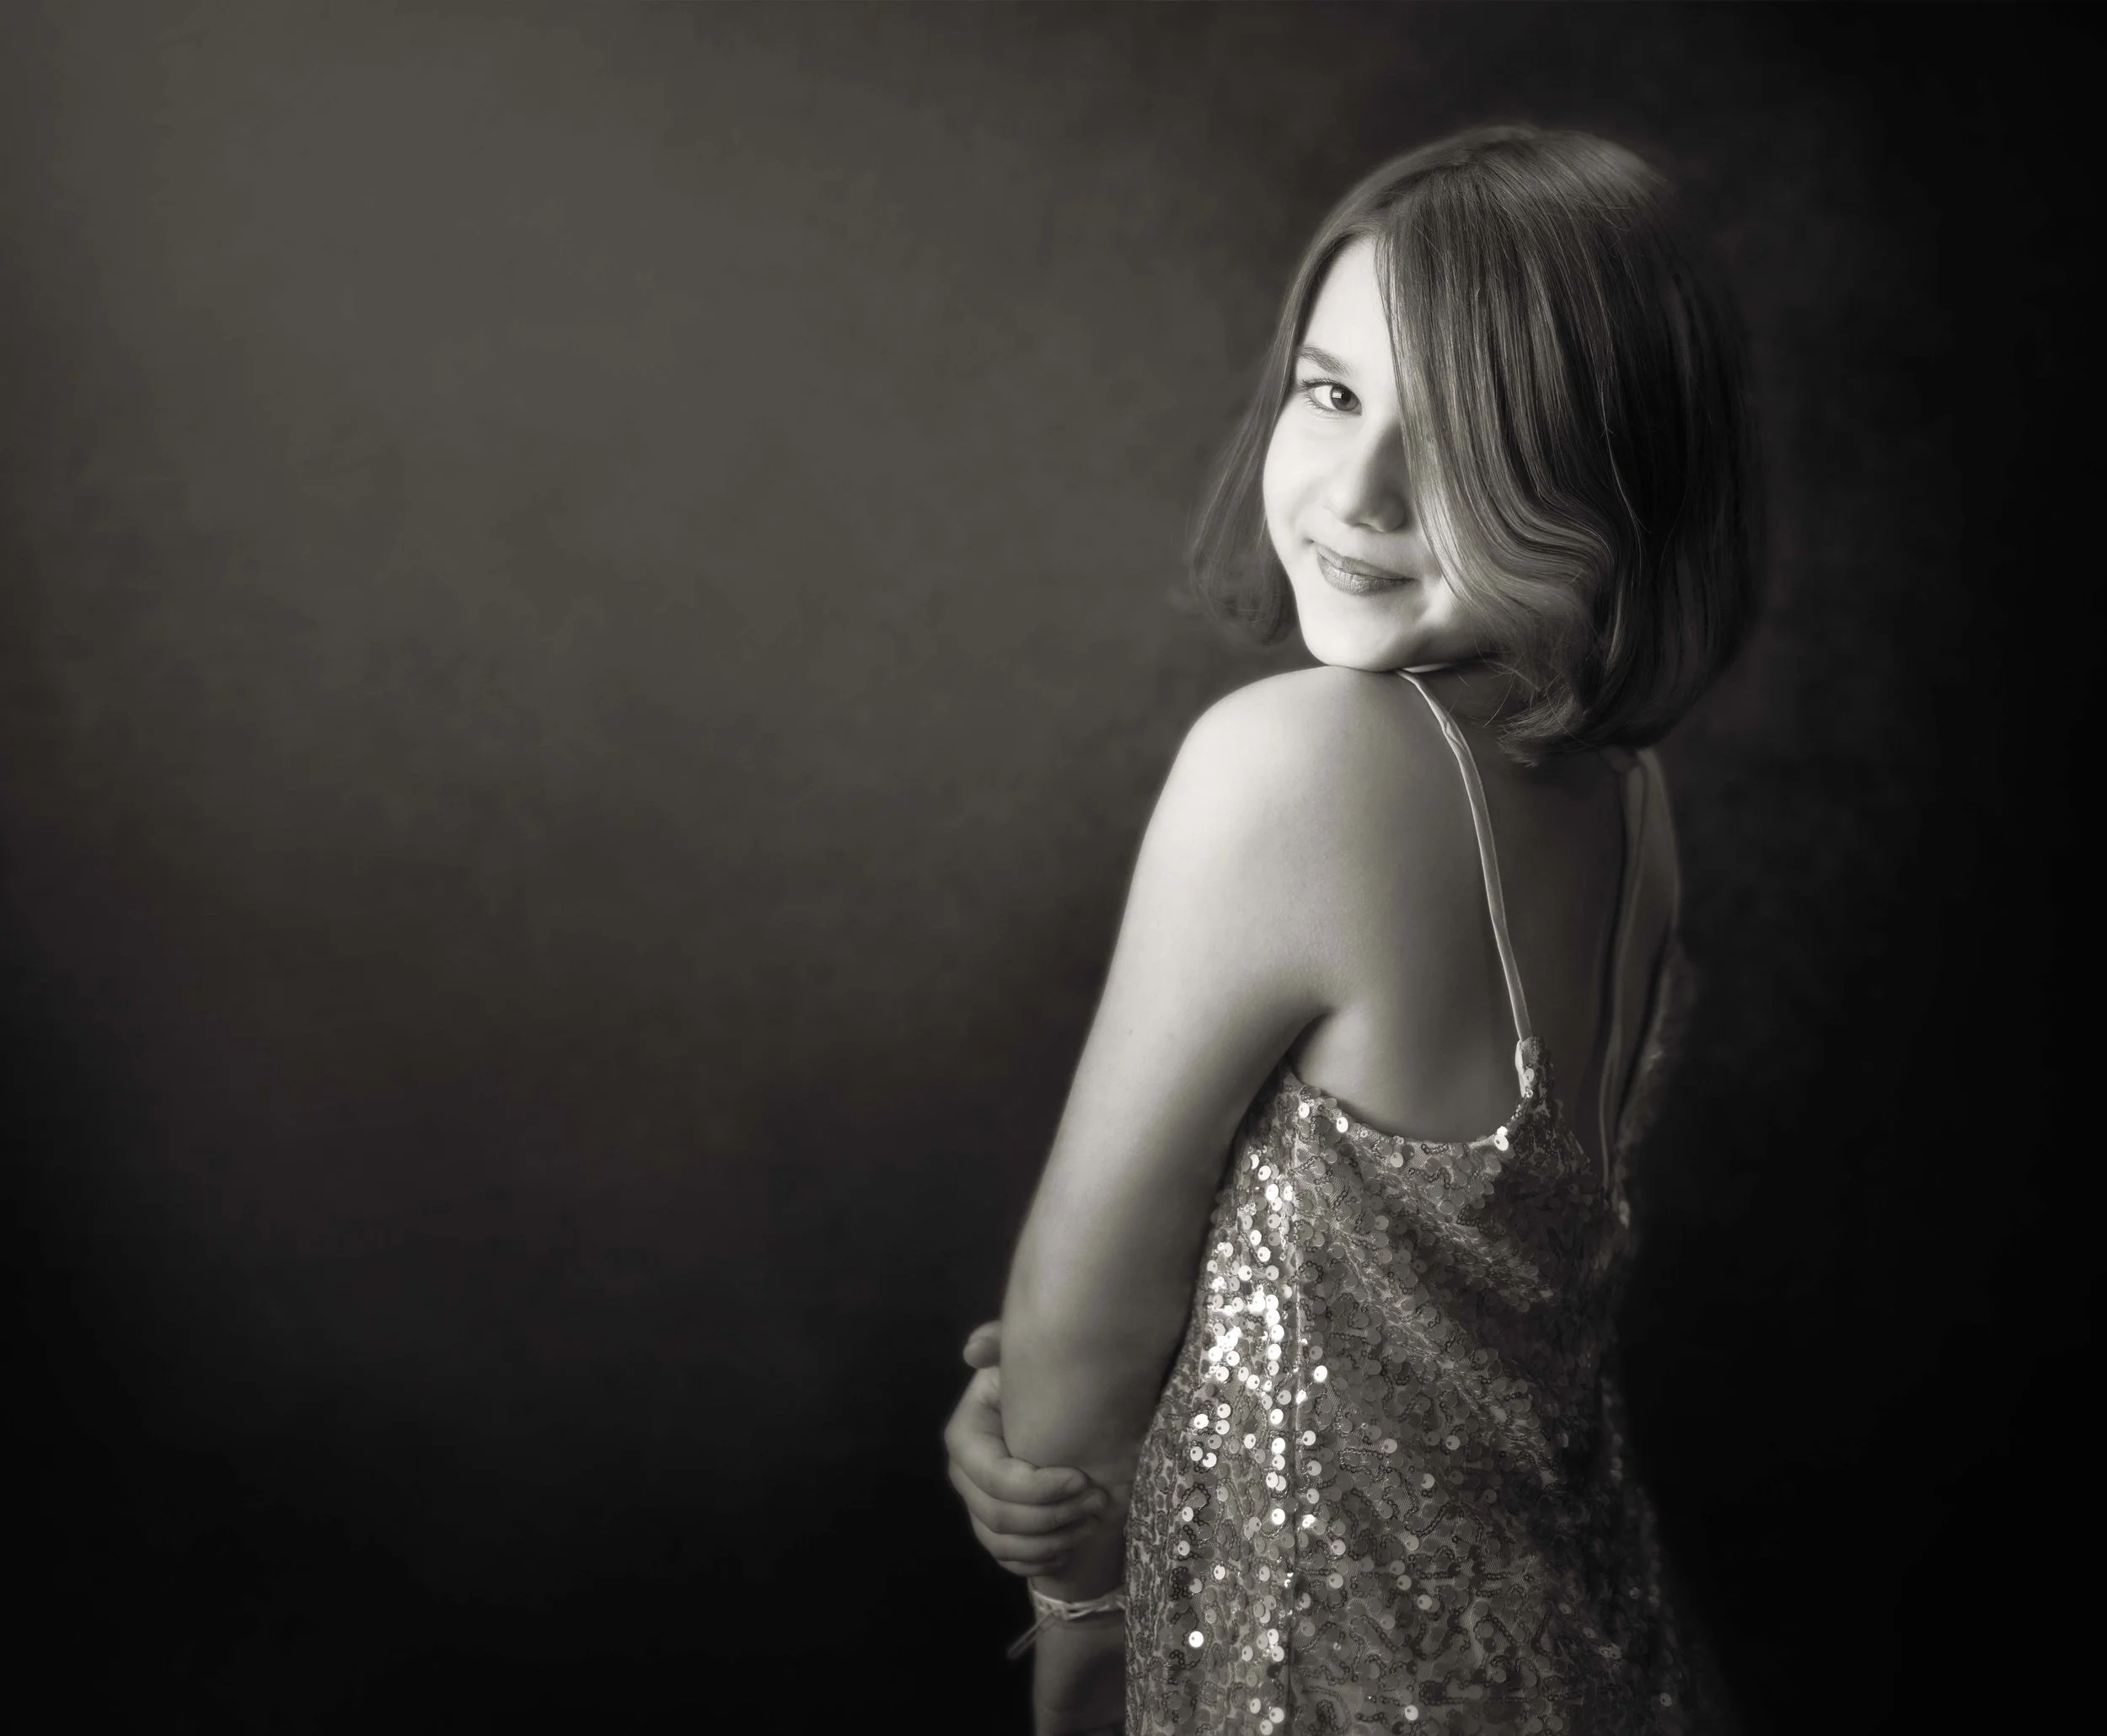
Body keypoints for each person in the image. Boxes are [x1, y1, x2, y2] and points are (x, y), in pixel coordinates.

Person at [944, 123, 1758, 1735]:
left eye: (1463, 432)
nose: (1360, 491)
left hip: (1335, 1674)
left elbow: (1084, 1306)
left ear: (1615, 473)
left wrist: (1082, 1608)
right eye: (1332, 392)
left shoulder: (1306, 756)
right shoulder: (1635, 801)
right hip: (1601, 1649)